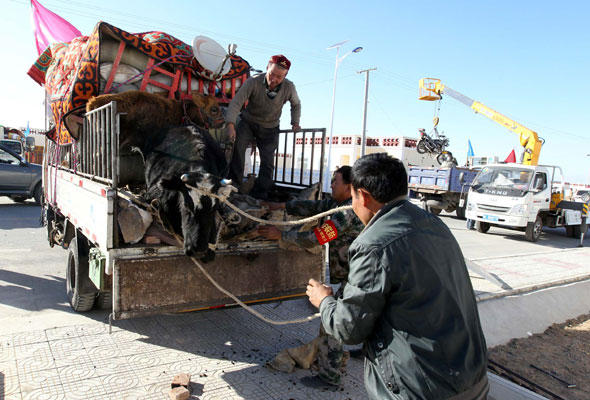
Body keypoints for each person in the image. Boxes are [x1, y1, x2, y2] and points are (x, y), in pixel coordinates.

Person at [306, 153, 489, 400]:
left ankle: (329, 374)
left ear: (364, 196)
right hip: (472, 378)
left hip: (420, 388)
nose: (335, 189)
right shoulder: (434, 225)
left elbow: (348, 329)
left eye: (351, 194)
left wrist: (323, 300)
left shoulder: (371, 244)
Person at [258, 166, 363, 390]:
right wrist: (282, 205)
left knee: (331, 323)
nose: (332, 184)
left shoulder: (347, 214)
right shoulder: (337, 205)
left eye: (336, 181)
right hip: (359, 275)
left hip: (358, 278)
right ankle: (366, 351)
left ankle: (330, 377)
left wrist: (281, 234)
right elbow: (315, 206)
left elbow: (317, 237)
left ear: (349, 187)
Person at [226, 54, 301, 199]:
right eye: (272, 74)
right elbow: (236, 103)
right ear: (267, 68)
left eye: (279, 77)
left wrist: (295, 123)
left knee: (267, 161)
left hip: (270, 127)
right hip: (248, 122)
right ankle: (234, 187)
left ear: (285, 76)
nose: (274, 79)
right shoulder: (253, 82)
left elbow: (296, 104)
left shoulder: (289, 87)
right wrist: (230, 124)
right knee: (238, 149)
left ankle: (260, 195)